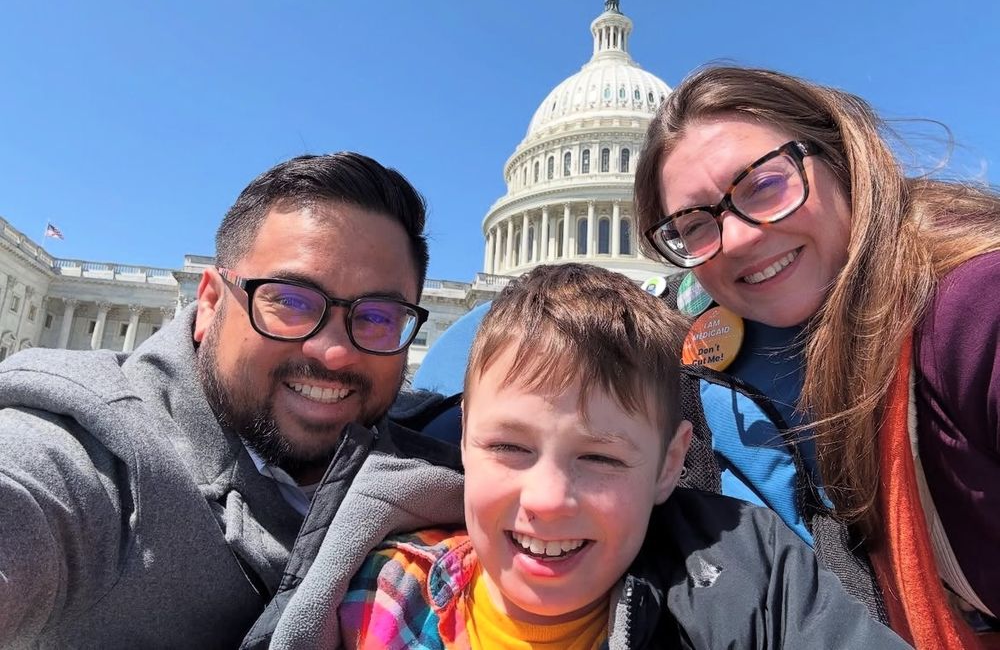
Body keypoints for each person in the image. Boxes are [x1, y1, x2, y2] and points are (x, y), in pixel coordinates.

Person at [0, 152, 464, 648]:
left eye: (378, 315)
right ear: (210, 303)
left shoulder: (454, 449)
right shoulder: (88, 457)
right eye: (289, 299)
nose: (333, 352)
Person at [336, 264, 908, 649]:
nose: (547, 500)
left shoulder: (749, 590)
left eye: (602, 459)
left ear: (668, 464)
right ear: (464, 440)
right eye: (509, 446)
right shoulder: (378, 595)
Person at [634, 65, 1000, 649]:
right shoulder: (710, 364)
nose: (741, 238)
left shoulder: (972, 310)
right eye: (695, 224)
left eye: (763, 184)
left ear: (838, 158)